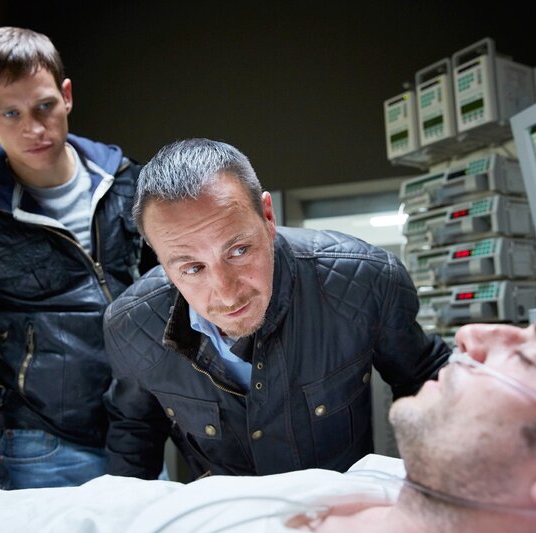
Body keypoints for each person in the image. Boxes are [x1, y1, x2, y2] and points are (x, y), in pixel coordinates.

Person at [0, 289, 536, 533]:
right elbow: (130, 441)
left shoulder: (354, 285)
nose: (477, 333)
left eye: (526, 352)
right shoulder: (389, 480)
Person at [103, 138, 452, 480]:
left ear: (267, 216)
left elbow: (424, 378)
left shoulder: (364, 280)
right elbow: (133, 439)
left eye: (239, 250)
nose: (227, 294)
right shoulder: (131, 326)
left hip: (344, 508)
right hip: (230, 512)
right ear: (161, 262)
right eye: (193, 268)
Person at [0, 26, 152, 494]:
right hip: (36, 450)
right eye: (10, 113)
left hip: (139, 439)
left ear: (66, 96)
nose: (33, 129)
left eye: (44, 106)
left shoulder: (128, 182)